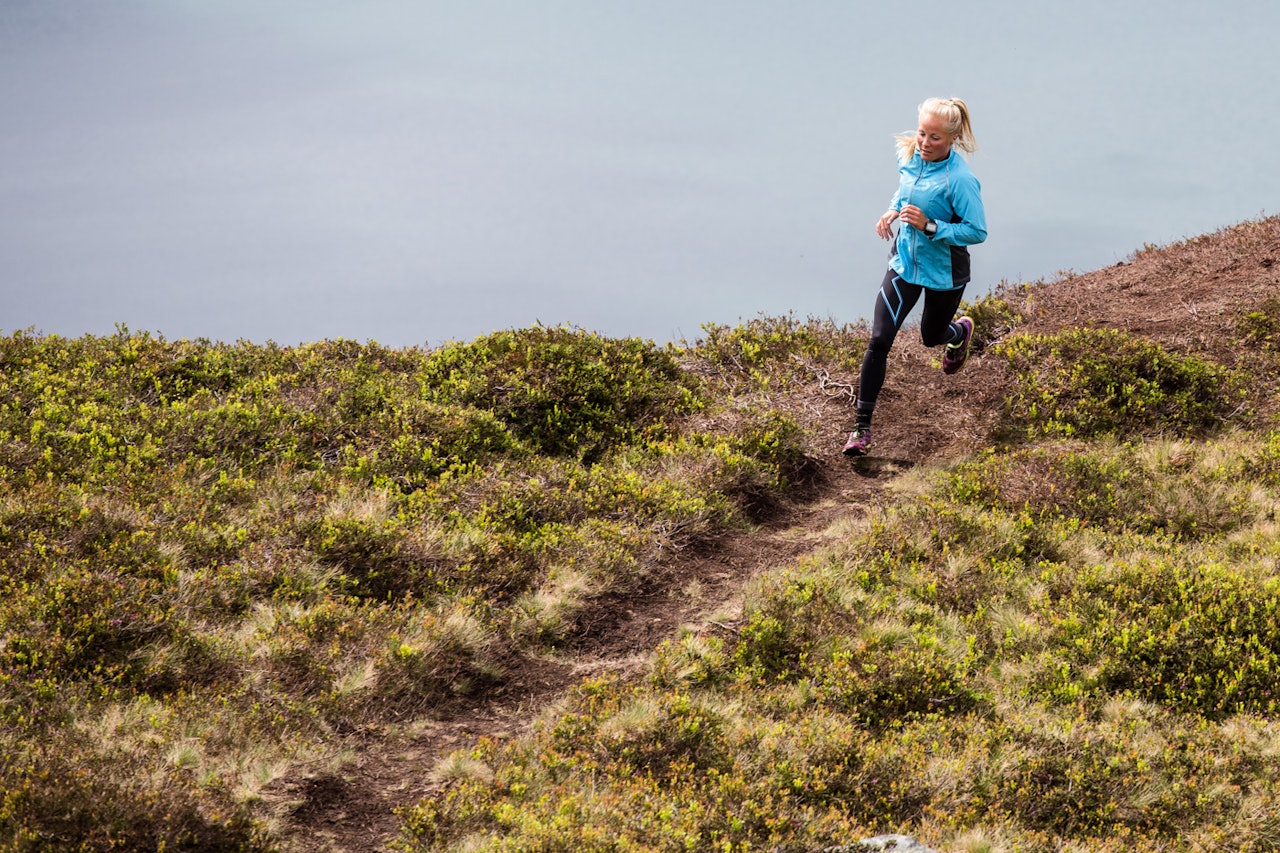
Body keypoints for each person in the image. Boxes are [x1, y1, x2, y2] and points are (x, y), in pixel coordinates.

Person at [843, 96, 987, 458]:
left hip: (945, 273)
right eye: (922, 133)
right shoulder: (908, 156)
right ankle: (860, 430)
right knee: (879, 340)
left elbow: (976, 231)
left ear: (952, 138)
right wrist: (891, 212)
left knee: (930, 337)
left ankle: (959, 331)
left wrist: (931, 225)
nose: (924, 142)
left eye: (935, 138)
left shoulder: (961, 180)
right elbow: (903, 190)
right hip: (904, 265)